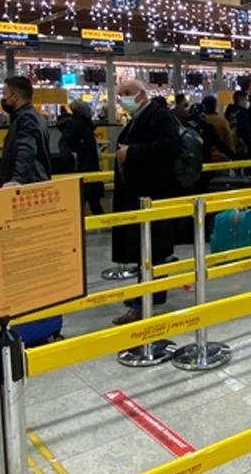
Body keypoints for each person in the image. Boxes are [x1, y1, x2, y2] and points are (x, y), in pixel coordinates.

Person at [111, 80, 180, 325]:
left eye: (127, 93)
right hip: (139, 193)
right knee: (146, 249)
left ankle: (143, 303)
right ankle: (150, 293)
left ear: (142, 94)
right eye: (120, 94)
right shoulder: (138, 118)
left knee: (149, 249)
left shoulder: (159, 116)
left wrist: (132, 152)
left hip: (152, 194)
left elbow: (169, 148)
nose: (123, 98)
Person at [0, 76, 51, 186]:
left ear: (15, 97)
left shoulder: (26, 118)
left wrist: (17, 179)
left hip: (28, 185)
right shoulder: (35, 116)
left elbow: (26, 149)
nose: (3, 99)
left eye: (5, 94)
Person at [57, 101, 104, 215]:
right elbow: (64, 142)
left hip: (83, 167)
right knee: (92, 202)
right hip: (86, 167)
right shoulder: (80, 124)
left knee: (85, 202)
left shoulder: (78, 124)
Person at [224, 91, 251, 157]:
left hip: (230, 143)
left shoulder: (228, 112)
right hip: (242, 145)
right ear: (241, 100)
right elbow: (245, 129)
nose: (247, 102)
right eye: (246, 100)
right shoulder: (242, 113)